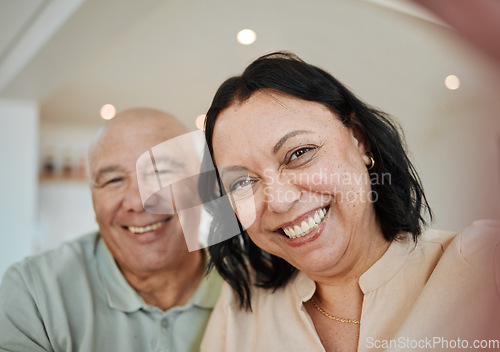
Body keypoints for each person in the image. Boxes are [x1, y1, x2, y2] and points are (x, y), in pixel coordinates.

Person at [198, 52, 500, 351]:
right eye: (241, 183)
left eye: (299, 153)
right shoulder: (240, 306)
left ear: (359, 140)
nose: (279, 200)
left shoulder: (483, 266)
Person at [0, 108, 222, 352]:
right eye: (113, 180)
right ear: (93, 197)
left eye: (160, 173)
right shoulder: (36, 292)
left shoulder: (256, 284)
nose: (138, 202)